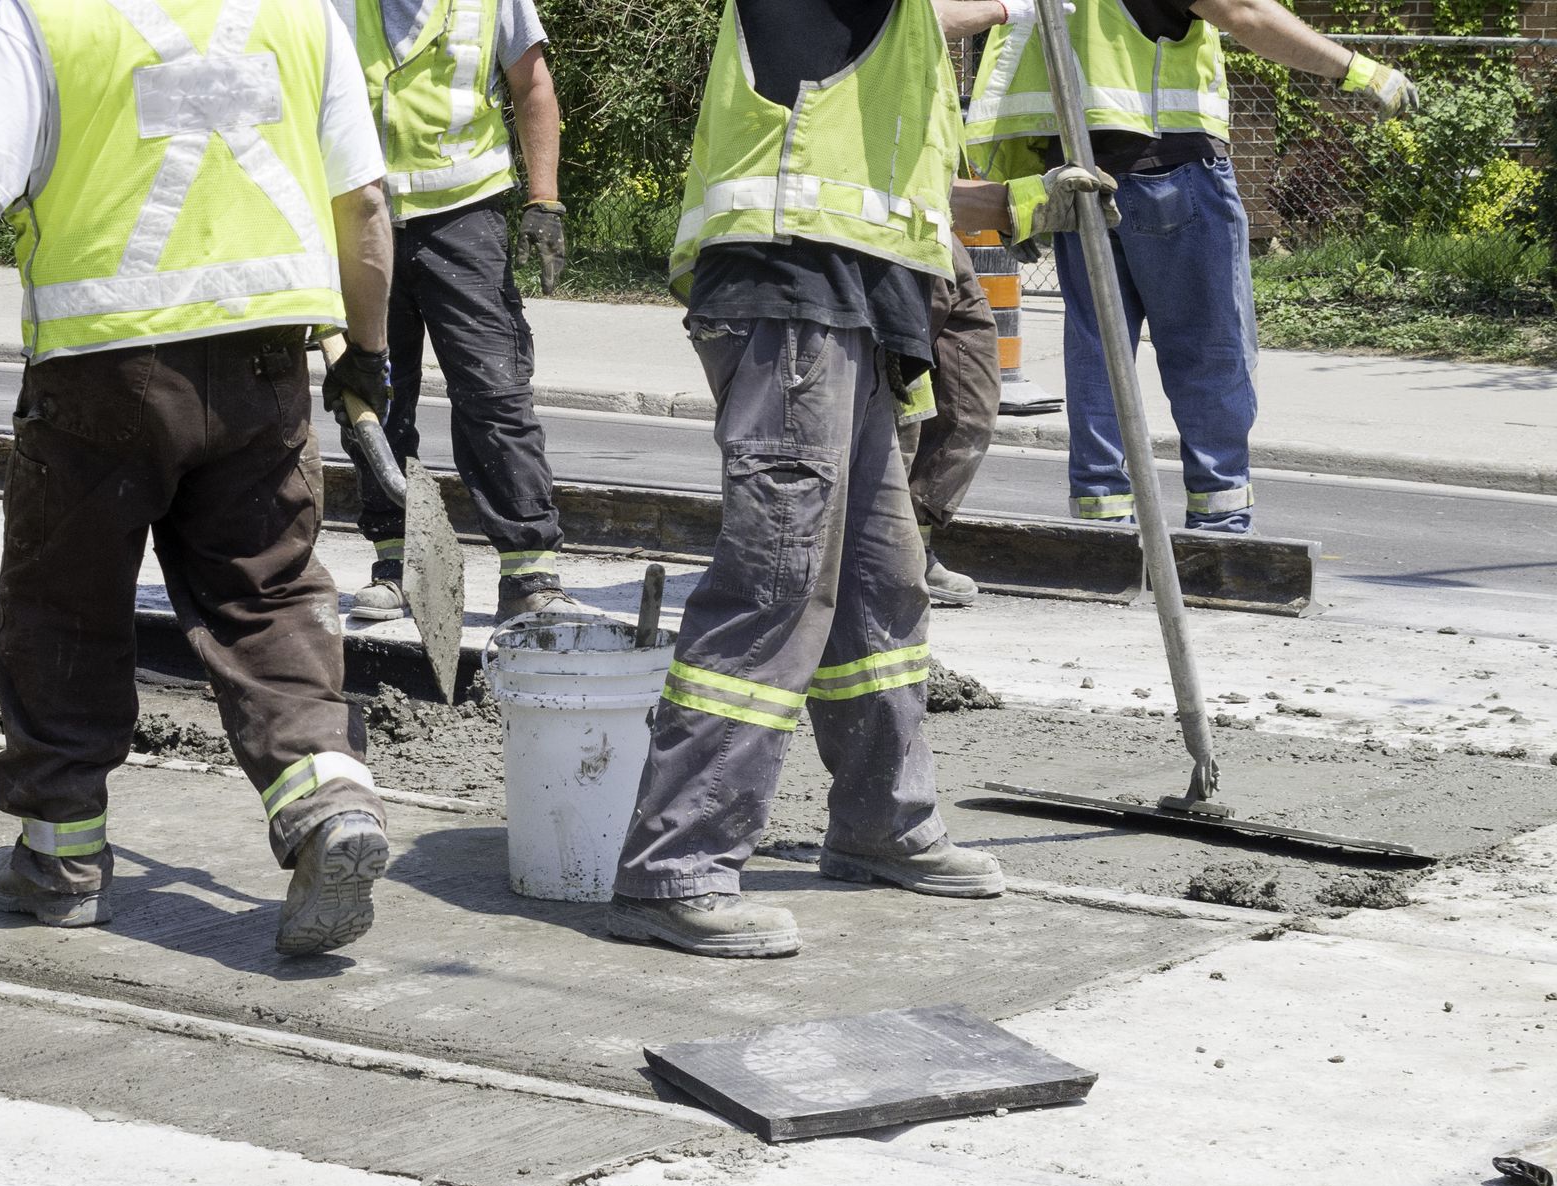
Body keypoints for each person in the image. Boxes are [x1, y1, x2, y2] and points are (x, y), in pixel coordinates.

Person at [0, 0, 397, 956]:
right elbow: (362, 204)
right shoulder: (305, 15)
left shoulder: (45, 17)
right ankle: (329, 800)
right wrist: (367, 350)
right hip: (263, 363)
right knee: (267, 592)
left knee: (65, 603)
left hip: (101, 372)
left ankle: (59, 861)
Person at [606, 0, 1009, 961]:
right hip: (789, 302)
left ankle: (883, 823)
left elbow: (899, 188)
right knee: (777, 584)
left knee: (879, 590)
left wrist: (1029, 206)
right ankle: (677, 866)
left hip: (858, 310)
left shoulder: (899, 36)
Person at [966, 0, 1418, 532]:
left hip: (1075, 181)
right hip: (1171, 169)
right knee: (1208, 351)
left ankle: (1100, 519)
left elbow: (1011, 53)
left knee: (1099, 355)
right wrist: (1361, 70)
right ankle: (1219, 523)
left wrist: (1018, 189)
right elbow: (1247, 14)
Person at [335, 0, 587, 625]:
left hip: (463, 218)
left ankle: (529, 573)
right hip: (360, 217)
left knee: (494, 391)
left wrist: (544, 201)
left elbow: (532, 82)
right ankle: (396, 566)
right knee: (373, 392)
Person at [903, 0, 1120, 606]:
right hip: (863, 247)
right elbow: (903, 21)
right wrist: (1010, 6)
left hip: (927, 235)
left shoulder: (927, 64)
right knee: (894, 416)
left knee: (970, 401)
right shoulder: (887, 25)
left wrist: (1022, 201)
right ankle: (874, 560)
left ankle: (913, 544)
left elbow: (924, 184)